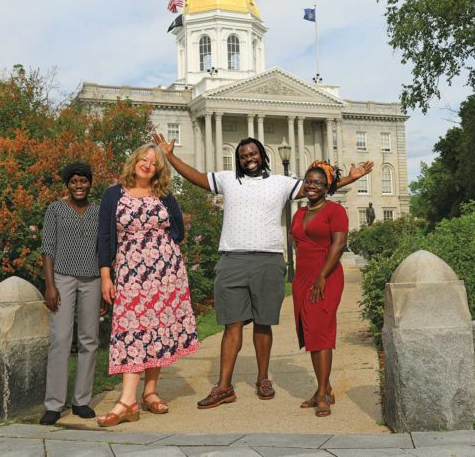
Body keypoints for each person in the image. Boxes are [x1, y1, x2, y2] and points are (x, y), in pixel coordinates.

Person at [153, 133, 372, 409]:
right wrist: (170, 156)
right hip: (232, 258)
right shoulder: (227, 180)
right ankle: (224, 387)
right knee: (231, 324)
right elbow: (196, 177)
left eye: (253, 153)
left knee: (263, 322)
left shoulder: (281, 183)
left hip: (268, 260)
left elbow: (318, 186)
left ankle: (263, 379)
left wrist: (350, 179)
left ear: (263, 156)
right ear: (239, 159)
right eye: (243, 155)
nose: (249, 158)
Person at [96, 144, 198, 427]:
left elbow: (178, 229)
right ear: (134, 160)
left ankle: (149, 392)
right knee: (132, 329)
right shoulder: (113, 194)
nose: (148, 164)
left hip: (166, 273)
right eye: (143, 158)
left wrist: (165, 255)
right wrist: (106, 275)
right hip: (131, 274)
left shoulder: (163, 195)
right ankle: (128, 399)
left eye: (154, 162)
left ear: (158, 169)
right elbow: (105, 236)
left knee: (157, 329)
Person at [40, 162, 105, 426]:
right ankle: (54, 404)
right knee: (61, 338)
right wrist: (50, 285)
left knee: (89, 339)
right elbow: (48, 247)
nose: (79, 186)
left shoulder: (100, 211)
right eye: (74, 182)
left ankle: (81, 401)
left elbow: (105, 250)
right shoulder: (55, 209)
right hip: (62, 278)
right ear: (67, 185)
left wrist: (105, 287)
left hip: (93, 279)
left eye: (84, 181)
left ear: (90, 183)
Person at [291, 161, 348, 417]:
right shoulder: (299, 213)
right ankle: (323, 388)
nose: (312, 186)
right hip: (303, 277)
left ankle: (323, 393)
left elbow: (339, 245)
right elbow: (297, 244)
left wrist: (322, 275)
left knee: (321, 331)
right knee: (310, 332)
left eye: (318, 183)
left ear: (327, 188)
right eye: (309, 181)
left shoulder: (335, 211)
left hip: (326, 275)